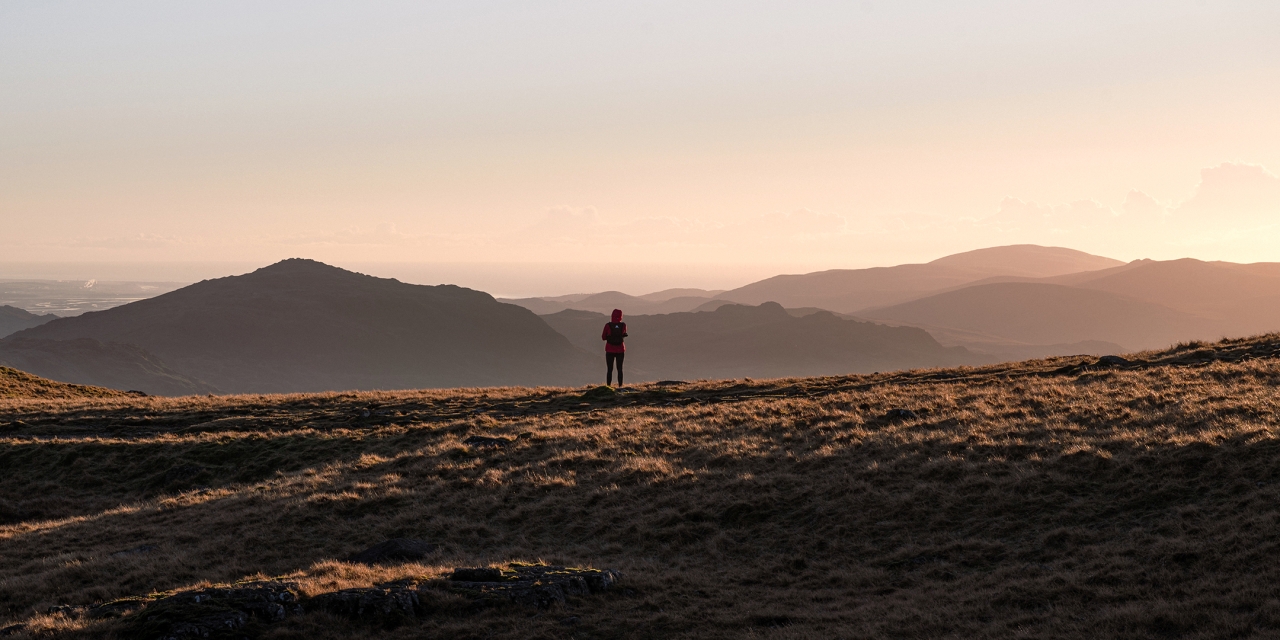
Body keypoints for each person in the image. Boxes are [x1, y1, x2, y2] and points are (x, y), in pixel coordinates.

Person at [602, 308, 627, 386]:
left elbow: (603, 337)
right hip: (620, 349)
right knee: (620, 369)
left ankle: (608, 386)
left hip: (609, 349)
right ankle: (620, 386)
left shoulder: (608, 325)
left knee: (609, 369)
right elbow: (624, 334)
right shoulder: (623, 325)